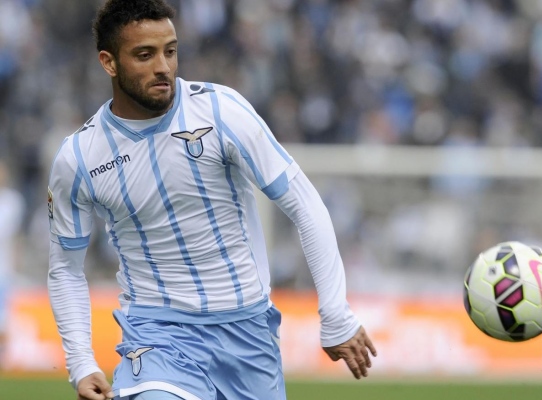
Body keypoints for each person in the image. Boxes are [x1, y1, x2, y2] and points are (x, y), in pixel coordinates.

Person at [47, 1, 377, 399]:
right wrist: (81, 362)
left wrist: (335, 312)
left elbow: (305, 206)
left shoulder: (221, 112)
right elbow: (65, 268)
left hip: (248, 333)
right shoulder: (79, 157)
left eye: (170, 51)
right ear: (109, 62)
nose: (163, 67)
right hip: (157, 335)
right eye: (145, 55)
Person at [0, 160, 25, 368]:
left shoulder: (12, 201)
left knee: (3, 318)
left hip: (3, 270)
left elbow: (13, 235)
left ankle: (3, 358)